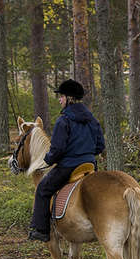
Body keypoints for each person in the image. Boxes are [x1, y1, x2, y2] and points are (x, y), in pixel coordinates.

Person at [28, 79, 105, 242]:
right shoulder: (92, 119)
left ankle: (40, 230)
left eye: (61, 96)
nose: (60, 100)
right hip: (90, 165)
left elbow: (57, 150)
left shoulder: (64, 120)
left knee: (42, 188)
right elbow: (100, 145)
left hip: (69, 166)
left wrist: (47, 160)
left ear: (69, 98)